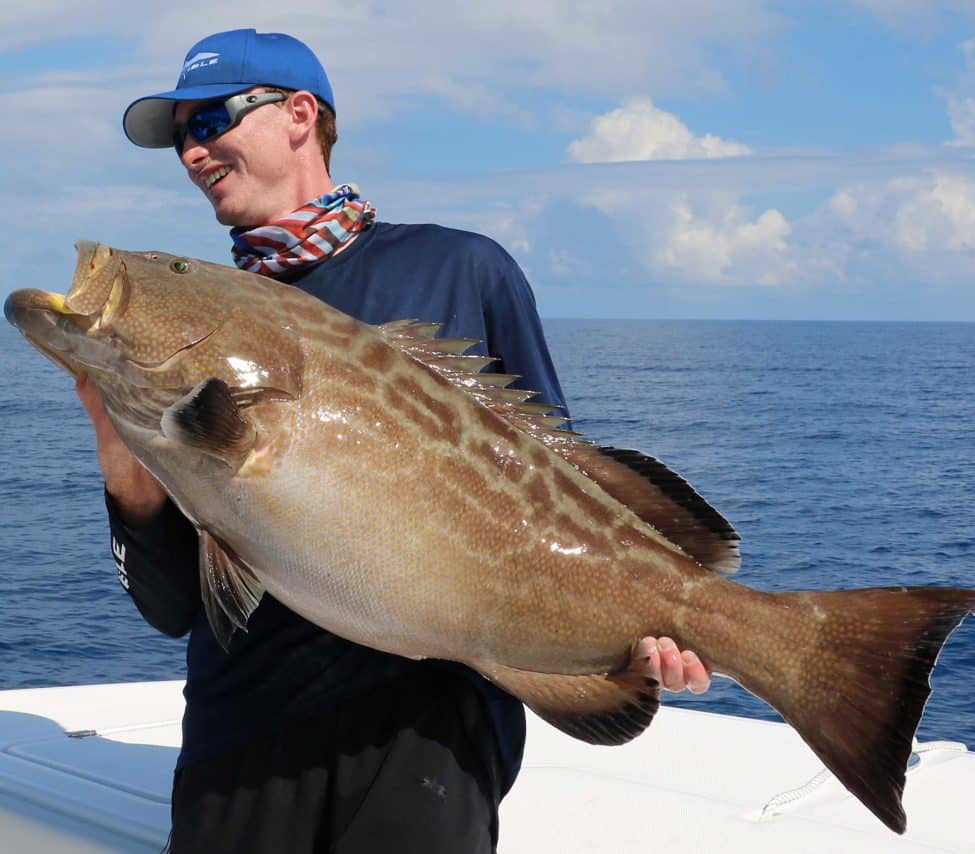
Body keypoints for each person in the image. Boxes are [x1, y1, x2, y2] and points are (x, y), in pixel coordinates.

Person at [77, 28, 712, 853]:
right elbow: (171, 609)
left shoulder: (462, 269)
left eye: (211, 123)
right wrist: (119, 456)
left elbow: (565, 489)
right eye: (181, 140)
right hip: (239, 742)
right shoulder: (194, 333)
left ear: (300, 115)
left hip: (429, 738)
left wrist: (654, 619)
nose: (193, 153)